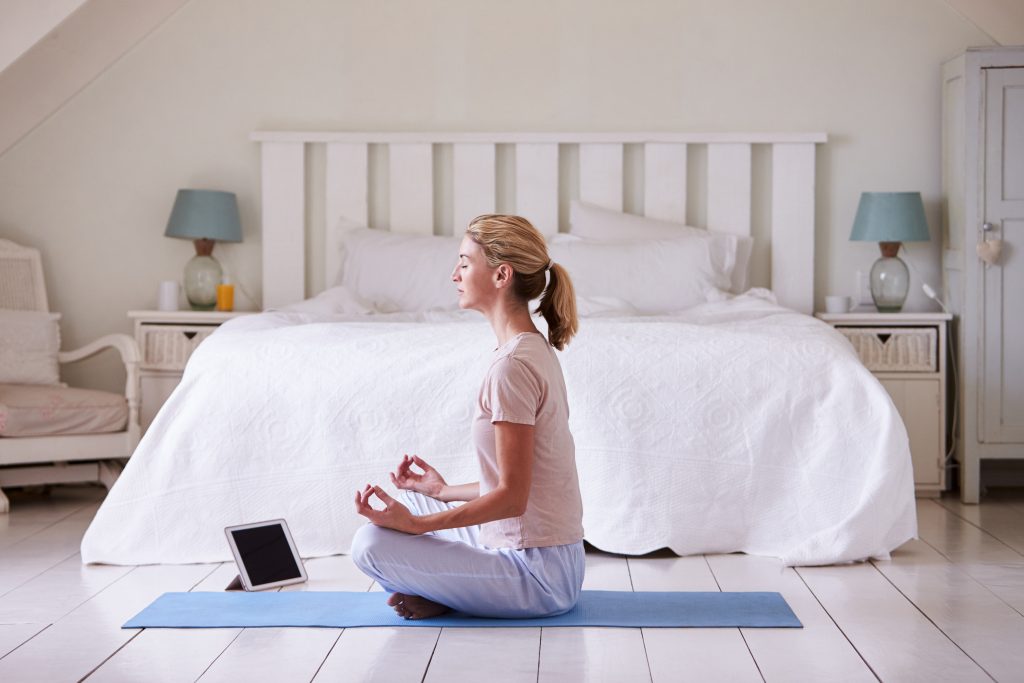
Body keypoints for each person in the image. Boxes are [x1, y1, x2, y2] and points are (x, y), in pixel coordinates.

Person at [350, 214, 585, 620]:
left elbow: (513, 496)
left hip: (539, 575)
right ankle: (455, 591)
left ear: (501, 275)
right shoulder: (533, 348)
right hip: (548, 555)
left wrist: (418, 528)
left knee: (369, 546)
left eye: (464, 262)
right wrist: (440, 492)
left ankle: (455, 594)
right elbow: (525, 481)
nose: (454, 274)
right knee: (410, 504)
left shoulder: (511, 366)